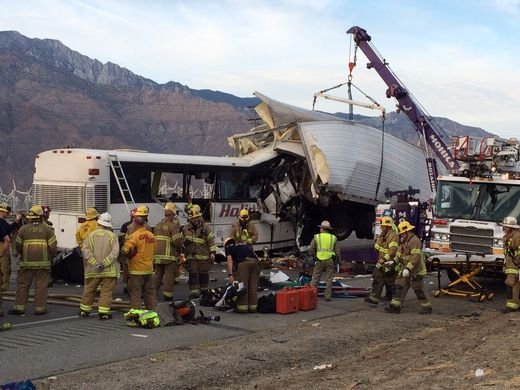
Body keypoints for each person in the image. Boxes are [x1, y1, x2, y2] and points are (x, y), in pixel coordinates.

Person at [10, 205, 57, 315]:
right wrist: (51, 257)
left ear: (30, 217)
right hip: (43, 264)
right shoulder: (47, 230)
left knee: (23, 285)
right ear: (41, 216)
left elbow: (17, 245)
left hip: (26, 264)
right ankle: (40, 309)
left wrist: (21, 253)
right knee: (41, 286)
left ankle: (19, 308)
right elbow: (53, 247)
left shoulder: (23, 229)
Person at [385, 220, 432, 314]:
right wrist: (393, 261)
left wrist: (408, 268)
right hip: (405, 270)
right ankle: (395, 306)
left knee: (418, 289)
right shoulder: (403, 242)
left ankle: (426, 307)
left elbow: (416, 257)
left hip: (415, 271)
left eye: (402, 233)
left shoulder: (415, 241)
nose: (401, 235)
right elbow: (399, 254)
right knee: (399, 286)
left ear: (407, 232)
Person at [79, 212, 119, 320]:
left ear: (99, 223)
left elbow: (85, 250)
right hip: (108, 270)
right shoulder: (112, 236)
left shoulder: (90, 235)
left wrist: (94, 263)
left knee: (89, 290)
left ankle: (84, 310)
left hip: (93, 270)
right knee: (106, 292)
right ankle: (103, 312)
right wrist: (104, 263)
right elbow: (115, 253)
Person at [120, 205, 157, 310]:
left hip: (136, 270)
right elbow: (154, 250)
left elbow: (125, 250)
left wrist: (129, 253)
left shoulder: (134, 236)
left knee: (136, 292)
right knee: (150, 292)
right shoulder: (151, 236)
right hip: (148, 269)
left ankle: (136, 314)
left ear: (135, 220)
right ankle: (153, 311)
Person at [182, 204, 217, 299]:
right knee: (193, 275)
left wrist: (213, 252)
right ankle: (194, 293)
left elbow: (211, 240)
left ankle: (204, 291)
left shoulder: (205, 228)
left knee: (203, 274)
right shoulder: (185, 228)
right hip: (191, 256)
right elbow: (182, 242)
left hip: (203, 256)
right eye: (193, 218)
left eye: (196, 217)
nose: (195, 220)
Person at [365, 216, 399, 305]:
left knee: (389, 281)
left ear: (388, 226)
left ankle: (393, 299)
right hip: (382, 261)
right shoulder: (383, 235)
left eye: (383, 226)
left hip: (389, 263)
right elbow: (377, 247)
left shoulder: (393, 236)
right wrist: (378, 240)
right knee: (380, 278)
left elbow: (393, 250)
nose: (381, 227)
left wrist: (384, 259)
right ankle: (378, 297)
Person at [153, 202, 182, 301]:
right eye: (173, 215)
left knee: (157, 276)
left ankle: (153, 294)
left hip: (157, 256)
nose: (174, 217)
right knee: (169, 276)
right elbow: (177, 241)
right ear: (171, 215)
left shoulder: (157, 225)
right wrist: (180, 249)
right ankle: (167, 295)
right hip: (169, 256)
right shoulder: (173, 226)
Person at [224, 237, 259, 313]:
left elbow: (229, 260)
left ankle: (242, 308)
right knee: (252, 286)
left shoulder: (229, 248)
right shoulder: (242, 246)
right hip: (255, 263)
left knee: (242, 286)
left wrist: (230, 275)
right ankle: (253, 307)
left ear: (226, 245)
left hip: (244, 264)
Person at [309, 221, 340, 301]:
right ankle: (327, 296)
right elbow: (337, 251)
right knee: (329, 279)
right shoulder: (333, 238)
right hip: (330, 260)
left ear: (322, 228)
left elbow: (311, 249)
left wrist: (314, 256)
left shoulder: (317, 237)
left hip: (319, 260)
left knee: (315, 278)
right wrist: (338, 260)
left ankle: (311, 295)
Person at [500, 216, 520, 313]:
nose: (504, 228)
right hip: (510, 264)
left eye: (506, 227)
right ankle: (516, 304)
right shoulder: (508, 236)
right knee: (514, 285)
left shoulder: (517, 237)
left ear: (512, 228)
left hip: (515, 265)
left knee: (511, 284)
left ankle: (511, 306)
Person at [118, 207, 137, 294]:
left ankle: (126, 287)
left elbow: (120, 239)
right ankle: (132, 287)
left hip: (126, 251)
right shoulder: (142, 226)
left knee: (126, 270)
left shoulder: (125, 225)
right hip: (135, 252)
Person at [0, 203, 12, 292]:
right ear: (2, 211)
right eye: (7, 213)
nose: (8, 214)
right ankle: (3, 288)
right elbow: (7, 239)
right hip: (2, 247)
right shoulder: (1, 222)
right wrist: (3, 252)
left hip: (3, 246)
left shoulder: (3, 223)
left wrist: (17, 222)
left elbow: (9, 229)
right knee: (4, 268)